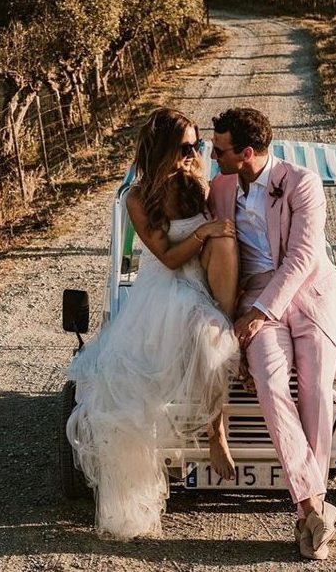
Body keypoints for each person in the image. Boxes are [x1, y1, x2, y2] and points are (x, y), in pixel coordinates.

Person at [66, 107, 239, 540]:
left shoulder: (200, 180)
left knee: (216, 333)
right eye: (186, 146)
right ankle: (215, 430)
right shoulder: (137, 198)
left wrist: (206, 191)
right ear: (162, 148)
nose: (193, 152)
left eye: (197, 144)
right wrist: (204, 233)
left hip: (204, 285)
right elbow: (167, 255)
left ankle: (216, 423)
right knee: (202, 345)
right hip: (165, 291)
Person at [208, 108, 336, 560]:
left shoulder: (301, 183)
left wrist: (259, 313)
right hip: (253, 295)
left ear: (246, 153)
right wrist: (245, 311)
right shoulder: (219, 187)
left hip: (309, 295)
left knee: (315, 387)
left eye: (220, 150)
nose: (213, 157)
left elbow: (303, 256)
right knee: (273, 385)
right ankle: (314, 507)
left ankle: (306, 513)